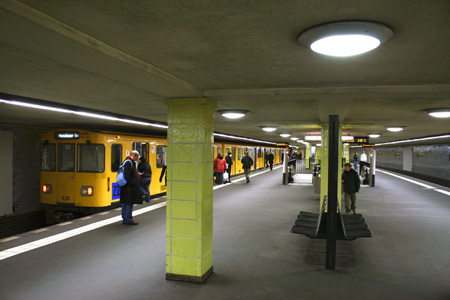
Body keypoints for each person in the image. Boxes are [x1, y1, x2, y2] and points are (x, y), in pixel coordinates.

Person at [120, 150, 141, 225]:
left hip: (126, 186)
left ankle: (125, 218)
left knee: (125, 202)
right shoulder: (129, 162)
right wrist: (133, 181)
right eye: (137, 157)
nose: (137, 159)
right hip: (128, 187)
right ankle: (128, 219)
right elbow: (127, 175)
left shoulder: (126, 161)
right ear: (134, 155)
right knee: (129, 203)